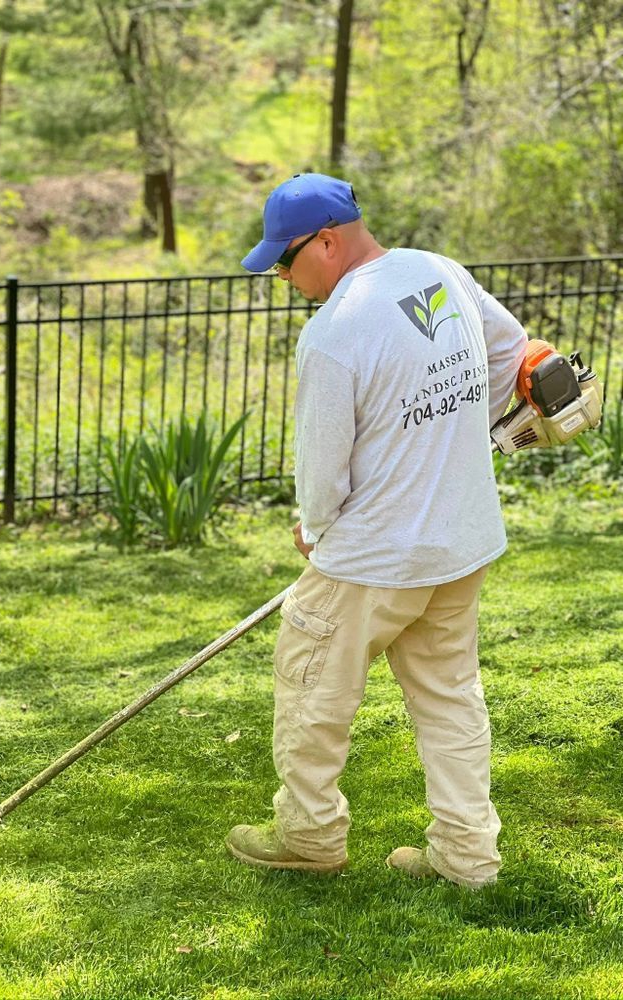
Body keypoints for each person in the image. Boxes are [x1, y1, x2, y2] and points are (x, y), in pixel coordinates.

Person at [226, 172, 528, 888]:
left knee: (312, 688)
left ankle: (308, 835)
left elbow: (322, 470)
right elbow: (512, 351)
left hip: (373, 558)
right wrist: (462, 434)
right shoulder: (436, 271)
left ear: (326, 241)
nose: (282, 275)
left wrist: (316, 527)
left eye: (284, 260)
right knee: (450, 698)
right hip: (459, 543)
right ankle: (467, 859)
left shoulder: (334, 331)